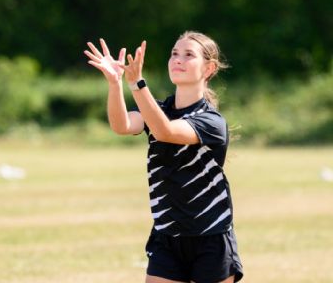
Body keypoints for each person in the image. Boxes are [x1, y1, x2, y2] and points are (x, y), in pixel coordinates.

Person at [84, 31, 243, 283]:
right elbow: (122, 125)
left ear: (209, 68)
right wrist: (115, 84)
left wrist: (137, 84)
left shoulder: (211, 121)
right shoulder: (159, 109)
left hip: (210, 235)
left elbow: (165, 131)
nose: (178, 59)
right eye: (174, 53)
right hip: (167, 235)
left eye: (189, 55)